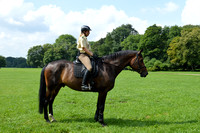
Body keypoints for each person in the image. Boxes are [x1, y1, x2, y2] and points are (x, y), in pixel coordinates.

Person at [77, 25, 96, 90]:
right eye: (88, 31)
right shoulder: (82, 38)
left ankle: (91, 81)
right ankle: (83, 85)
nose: (89, 33)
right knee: (89, 67)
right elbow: (84, 48)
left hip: (87, 55)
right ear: (84, 31)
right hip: (83, 55)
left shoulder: (85, 38)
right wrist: (92, 54)